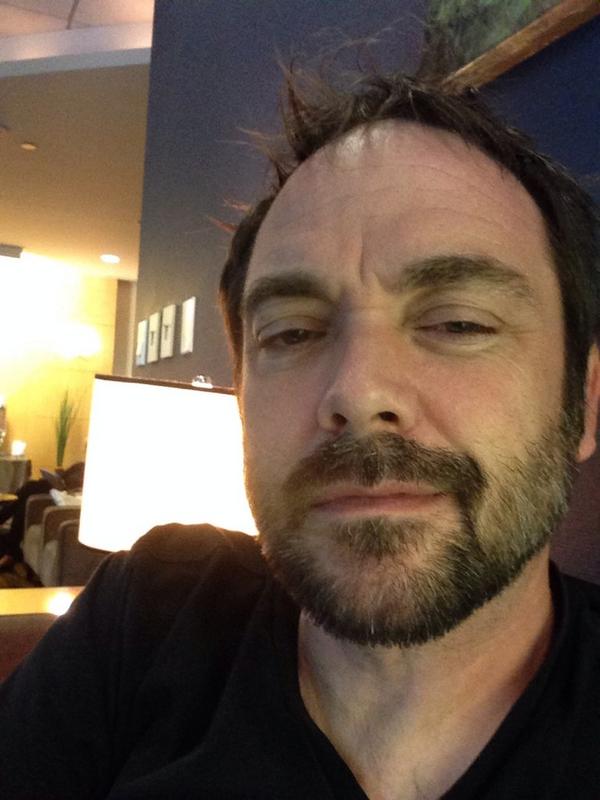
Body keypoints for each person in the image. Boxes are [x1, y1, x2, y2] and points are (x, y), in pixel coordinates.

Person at [1, 65, 599, 800]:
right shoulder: (147, 616)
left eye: (459, 323)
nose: (357, 391)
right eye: (291, 333)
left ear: (585, 401)